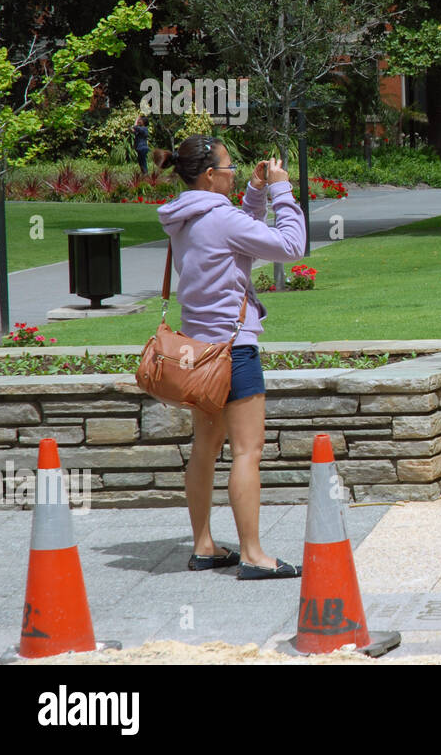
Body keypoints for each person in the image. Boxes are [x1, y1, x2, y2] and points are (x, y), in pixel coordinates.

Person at [154, 135, 308, 579]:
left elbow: (239, 239)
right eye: (229, 167)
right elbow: (290, 246)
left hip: (197, 350)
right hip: (233, 349)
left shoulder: (185, 216)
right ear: (208, 174)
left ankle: (203, 546)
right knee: (247, 452)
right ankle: (254, 555)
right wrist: (281, 191)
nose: (234, 172)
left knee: (204, 449)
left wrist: (254, 195)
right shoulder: (218, 217)